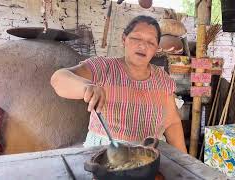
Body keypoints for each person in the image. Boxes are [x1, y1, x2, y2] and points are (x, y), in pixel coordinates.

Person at [50, 15, 187, 153]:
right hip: (104, 154)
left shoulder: (163, 79)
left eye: (151, 42)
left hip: (149, 155)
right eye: (136, 38)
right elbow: (58, 79)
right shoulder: (103, 67)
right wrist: (86, 87)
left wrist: (185, 163)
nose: (143, 45)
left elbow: (172, 122)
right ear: (124, 39)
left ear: (157, 48)